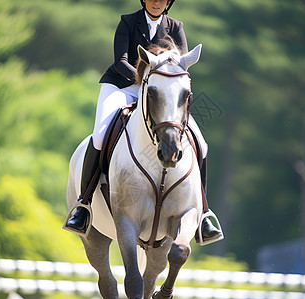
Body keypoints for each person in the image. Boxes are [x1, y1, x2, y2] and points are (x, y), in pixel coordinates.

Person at [66, 0, 223, 244]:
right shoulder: (127, 22)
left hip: (162, 94)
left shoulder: (176, 27)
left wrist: (157, 86)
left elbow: (179, 64)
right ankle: (83, 204)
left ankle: (204, 213)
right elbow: (120, 61)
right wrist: (146, 81)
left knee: (201, 144)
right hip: (122, 86)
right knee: (99, 136)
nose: (157, 2)